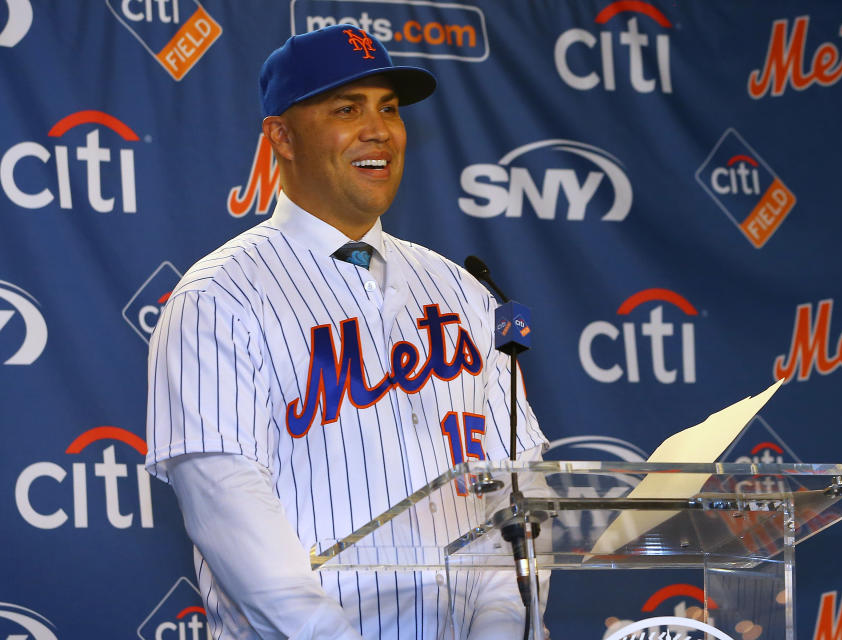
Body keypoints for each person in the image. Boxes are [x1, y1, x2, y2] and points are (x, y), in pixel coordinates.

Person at [145, 24, 547, 640]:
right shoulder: (218, 299)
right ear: (280, 135)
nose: (378, 129)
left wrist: (500, 628)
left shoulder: (462, 291)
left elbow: (517, 491)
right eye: (346, 108)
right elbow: (230, 511)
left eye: (388, 108)